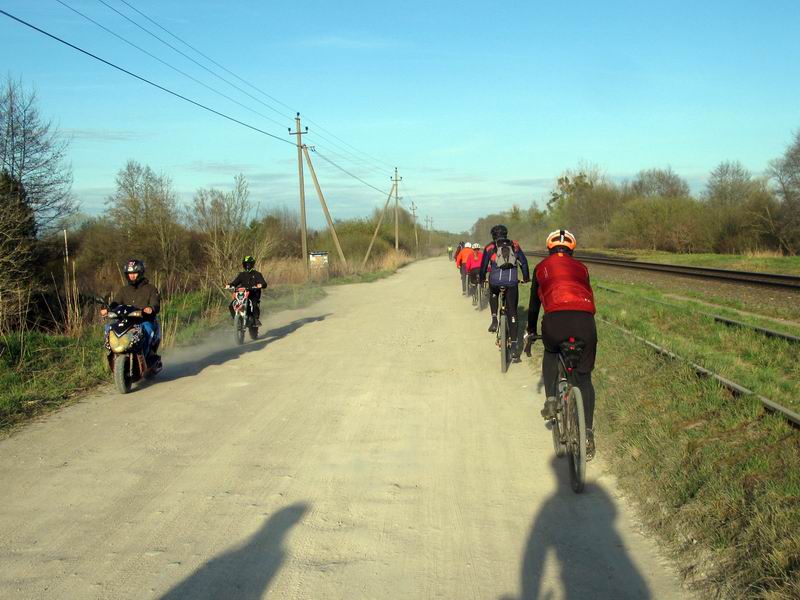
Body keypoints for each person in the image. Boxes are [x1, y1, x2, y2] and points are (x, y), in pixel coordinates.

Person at [526, 229, 597, 459]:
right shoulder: (582, 268)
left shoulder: (541, 268)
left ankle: (551, 400)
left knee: (550, 350)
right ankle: (587, 434)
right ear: (571, 250)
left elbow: (534, 305)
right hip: (585, 322)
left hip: (555, 321)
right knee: (584, 378)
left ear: (549, 248)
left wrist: (530, 330)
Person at [479, 225, 529, 359]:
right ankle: (514, 347)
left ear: (493, 235)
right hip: (512, 283)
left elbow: (483, 265)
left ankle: (495, 319)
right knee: (512, 312)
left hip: (495, 282)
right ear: (506, 234)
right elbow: (523, 263)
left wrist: (482, 278)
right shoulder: (515, 246)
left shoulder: (490, 247)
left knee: (493, 292)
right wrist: (525, 278)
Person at [100, 258, 162, 368]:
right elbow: (115, 303)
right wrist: (107, 309)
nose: (132, 276)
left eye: (134, 273)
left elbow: (155, 303)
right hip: (126, 322)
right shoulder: (124, 290)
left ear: (140, 273)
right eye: (130, 274)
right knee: (108, 328)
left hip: (144, 320)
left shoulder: (151, 288)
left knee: (147, 329)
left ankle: (147, 356)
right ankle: (113, 354)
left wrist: (150, 308)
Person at [228, 256, 268, 326]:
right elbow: (235, 282)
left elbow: (264, 283)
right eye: (246, 264)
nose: (247, 266)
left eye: (249, 264)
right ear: (243, 265)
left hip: (253, 295)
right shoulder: (241, 275)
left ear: (252, 265)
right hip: (242, 295)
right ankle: (235, 319)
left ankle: (255, 320)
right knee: (231, 304)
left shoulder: (257, 274)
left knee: (254, 304)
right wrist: (230, 285)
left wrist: (261, 285)